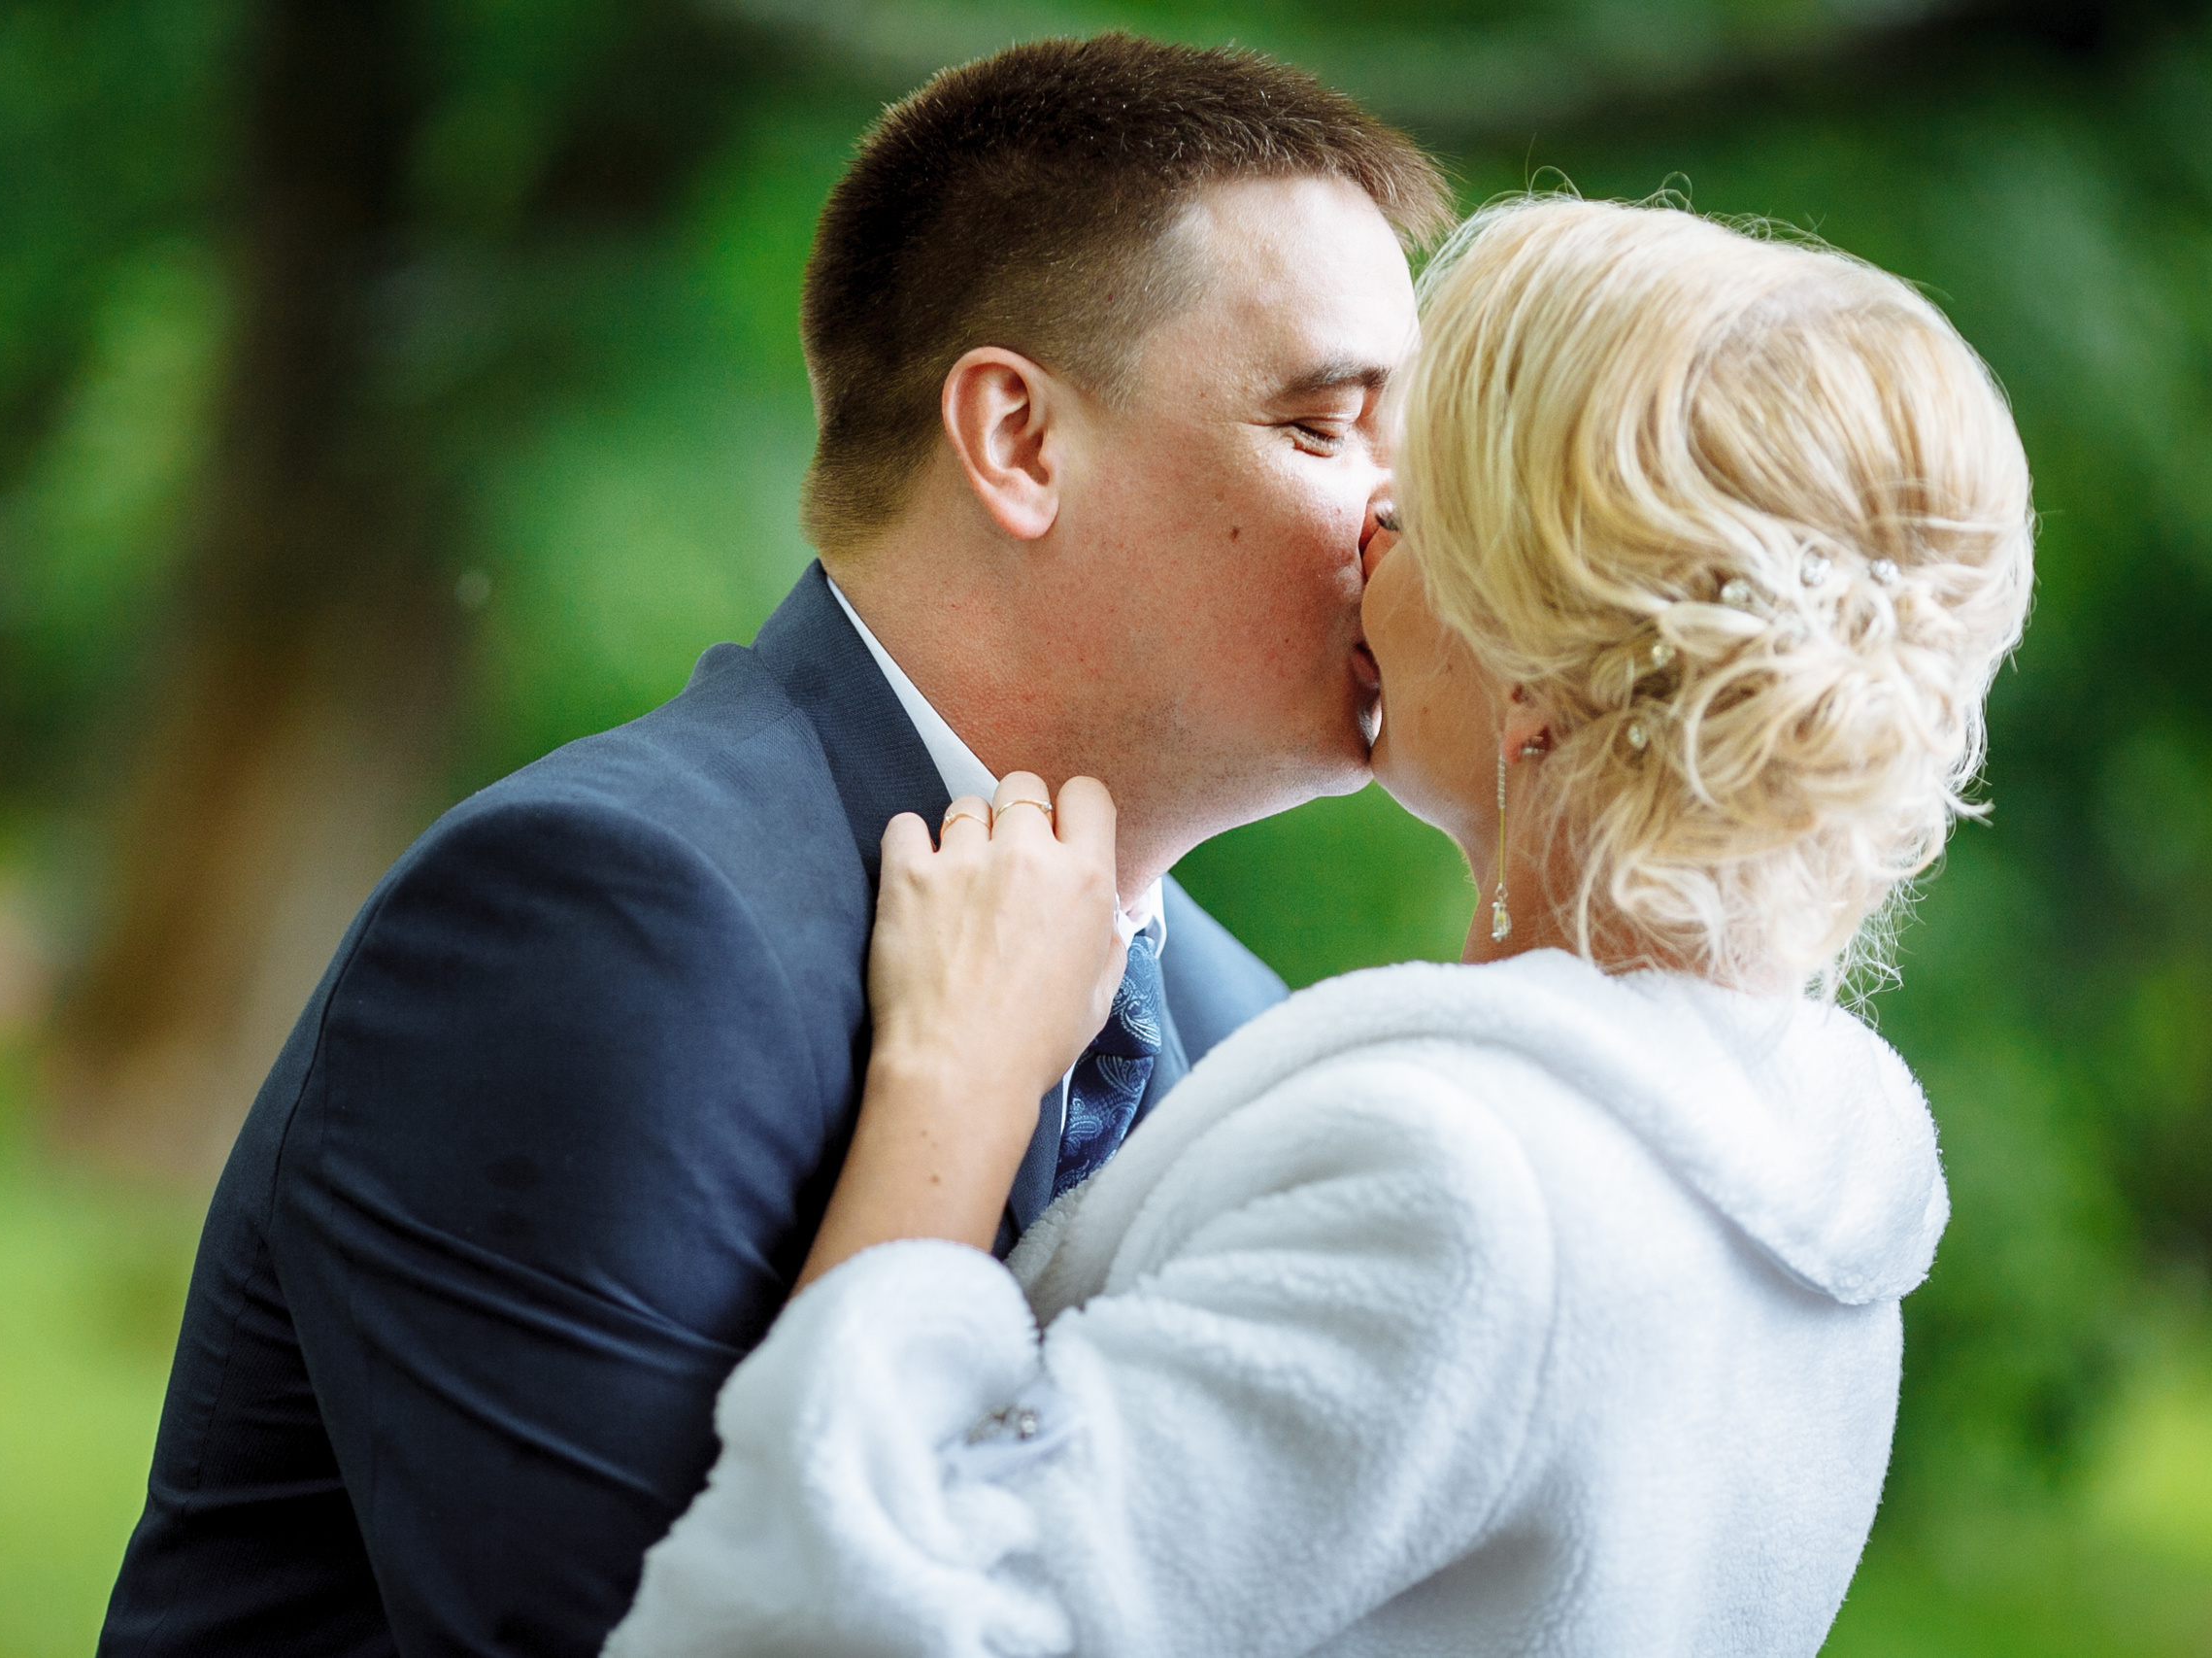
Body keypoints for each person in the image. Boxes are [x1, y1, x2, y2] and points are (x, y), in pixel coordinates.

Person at [96, 36, 1451, 1658]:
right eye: (1323, 429)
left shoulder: (1253, 1036)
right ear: (1018, 440)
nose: (1404, 524)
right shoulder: (599, 918)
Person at [603, 196, 2037, 1656]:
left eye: (1416, 505)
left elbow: (814, 1632)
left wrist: (954, 1093)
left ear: (1537, 670)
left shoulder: (1458, 1188)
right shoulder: (1803, 1215)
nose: (1362, 536)